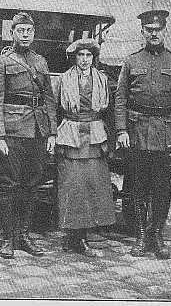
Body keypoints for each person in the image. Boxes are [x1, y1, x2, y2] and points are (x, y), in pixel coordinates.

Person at [115, 9, 171, 258]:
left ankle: (157, 235)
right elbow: (120, 99)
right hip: (137, 131)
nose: (153, 34)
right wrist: (122, 130)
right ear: (143, 32)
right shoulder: (131, 61)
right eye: (149, 30)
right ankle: (139, 235)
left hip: (167, 133)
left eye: (158, 30)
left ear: (165, 31)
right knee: (137, 184)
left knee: (162, 186)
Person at [0, 12, 57, 259]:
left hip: (37, 131)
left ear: (33, 34)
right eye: (20, 31)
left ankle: (24, 234)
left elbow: (48, 98)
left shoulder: (41, 62)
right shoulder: (0, 63)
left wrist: (51, 133)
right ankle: (8, 238)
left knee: (32, 183)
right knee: (8, 183)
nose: (25, 35)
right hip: (13, 130)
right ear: (12, 33)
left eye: (29, 31)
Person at [55, 38, 116, 257]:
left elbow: (110, 112)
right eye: (80, 55)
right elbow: (54, 110)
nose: (84, 60)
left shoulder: (102, 80)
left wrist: (111, 138)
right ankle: (72, 236)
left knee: (93, 185)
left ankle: (87, 234)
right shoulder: (63, 80)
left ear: (93, 58)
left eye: (88, 55)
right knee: (73, 187)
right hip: (70, 135)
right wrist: (54, 135)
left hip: (96, 135)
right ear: (75, 57)